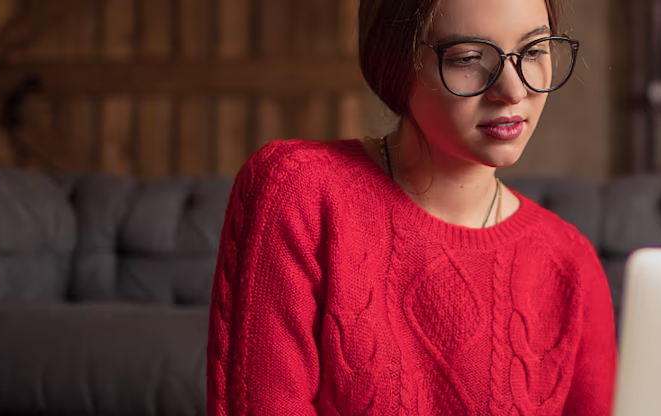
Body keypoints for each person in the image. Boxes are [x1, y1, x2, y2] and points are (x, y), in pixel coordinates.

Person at [205, 0, 617, 414]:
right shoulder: (297, 192)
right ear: (396, 62)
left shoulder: (571, 264)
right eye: (469, 57)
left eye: (533, 51)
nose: (514, 90)